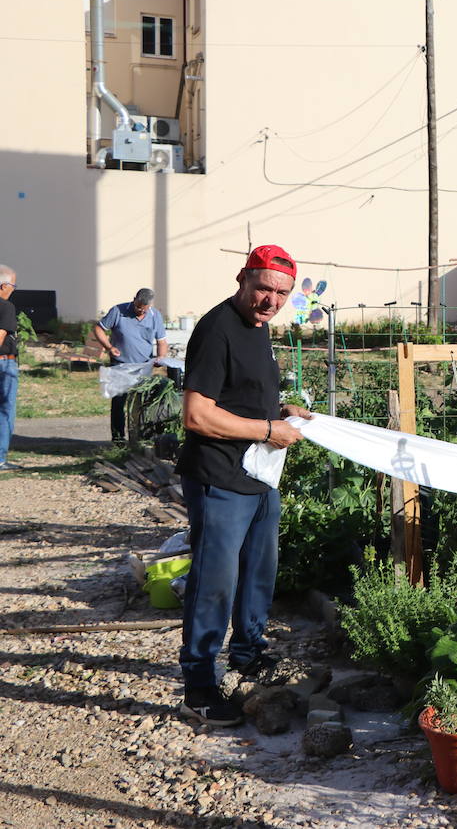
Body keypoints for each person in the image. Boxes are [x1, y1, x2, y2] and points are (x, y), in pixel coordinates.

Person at [176, 245, 311, 726]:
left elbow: (240, 397)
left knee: (258, 572)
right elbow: (197, 414)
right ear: (241, 279)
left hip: (256, 474)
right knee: (214, 582)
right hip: (219, 478)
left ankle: (248, 654)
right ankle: (198, 686)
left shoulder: (260, 329)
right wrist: (267, 431)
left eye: (281, 293)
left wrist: (280, 412)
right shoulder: (217, 330)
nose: (270, 301)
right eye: (262, 289)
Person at [93, 288, 168, 444]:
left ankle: (140, 438)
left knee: (142, 404)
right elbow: (99, 329)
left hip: (143, 367)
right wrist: (109, 347)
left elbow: (161, 341)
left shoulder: (155, 316)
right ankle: (118, 439)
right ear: (134, 300)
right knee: (119, 404)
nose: (140, 310)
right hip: (120, 365)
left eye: (144, 308)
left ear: (150, 306)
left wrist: (160, 357)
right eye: (138, 306)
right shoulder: (118, 311)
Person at [0, 265, 18, 473]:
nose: (14, 289)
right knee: (5, 410)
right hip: (4, 363)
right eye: (13, 285)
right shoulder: (6, 306)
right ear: (3, 285)